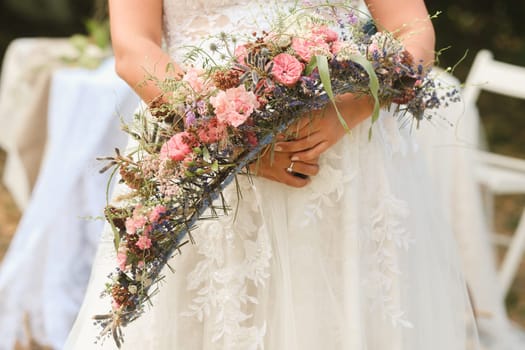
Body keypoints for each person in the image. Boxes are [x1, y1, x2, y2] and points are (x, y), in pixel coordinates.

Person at [66, 0, 480, 349]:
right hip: (206, 157)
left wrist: (352, 110)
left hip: (345, 156)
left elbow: (413, 31)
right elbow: (133, 47)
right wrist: (233, 143)